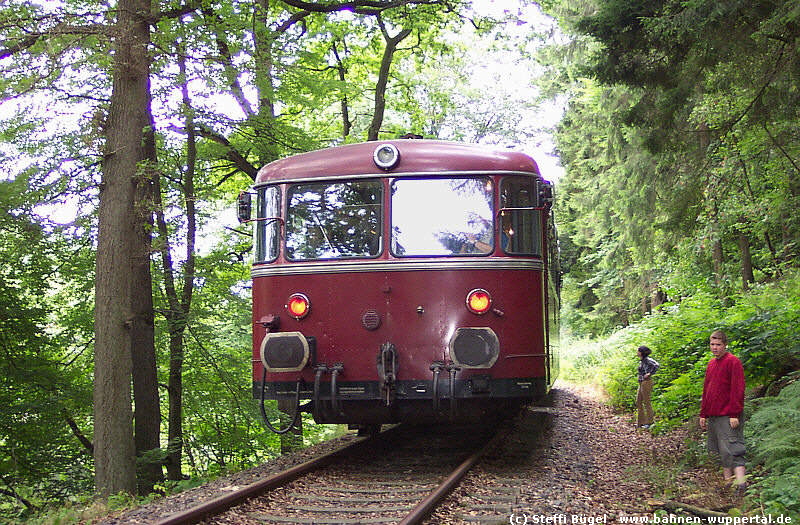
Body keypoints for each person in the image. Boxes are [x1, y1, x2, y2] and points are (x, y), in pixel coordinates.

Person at [699, 330, 747, 496]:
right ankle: (728, 483)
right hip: (713, 415)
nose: (715, 348)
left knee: (734, 448)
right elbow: (707, 390)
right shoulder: (711, 364)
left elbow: (737, 389)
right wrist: (703, 414)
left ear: (725, 345)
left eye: (718, 344)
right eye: (712, 344)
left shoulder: (733, 362)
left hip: (728, 415)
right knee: (721, 450)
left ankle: (741, 485)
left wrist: (734, 413)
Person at [636, 345, 659, 429]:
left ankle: (650, 422)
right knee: (638, 401)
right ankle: (641, 422)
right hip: (641, 382)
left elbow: (656, 365)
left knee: (647, 402)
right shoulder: (642, 361)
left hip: (646, 382)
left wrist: (649, 373)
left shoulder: (647, 360)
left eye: (638, 351)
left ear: (642, 352)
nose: (637, 352)